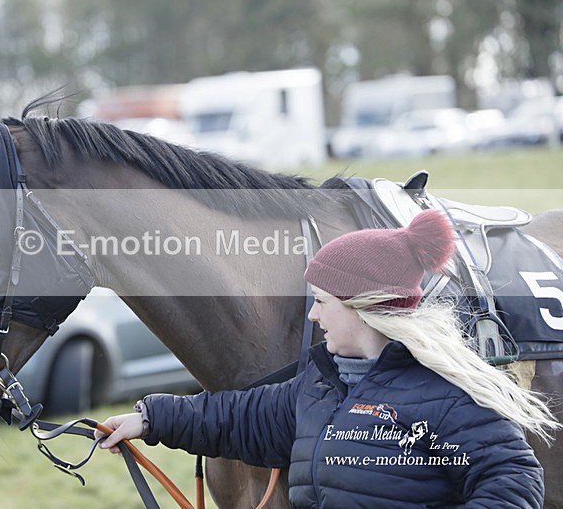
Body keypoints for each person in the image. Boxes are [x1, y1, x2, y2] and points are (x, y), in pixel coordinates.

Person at [96, 210, 560, 507]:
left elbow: (513, 482)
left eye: (322, 301)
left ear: (364, 307)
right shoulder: (319, 387)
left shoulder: (446, 396)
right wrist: (149, 419)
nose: (314, 315)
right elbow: (236, 417)